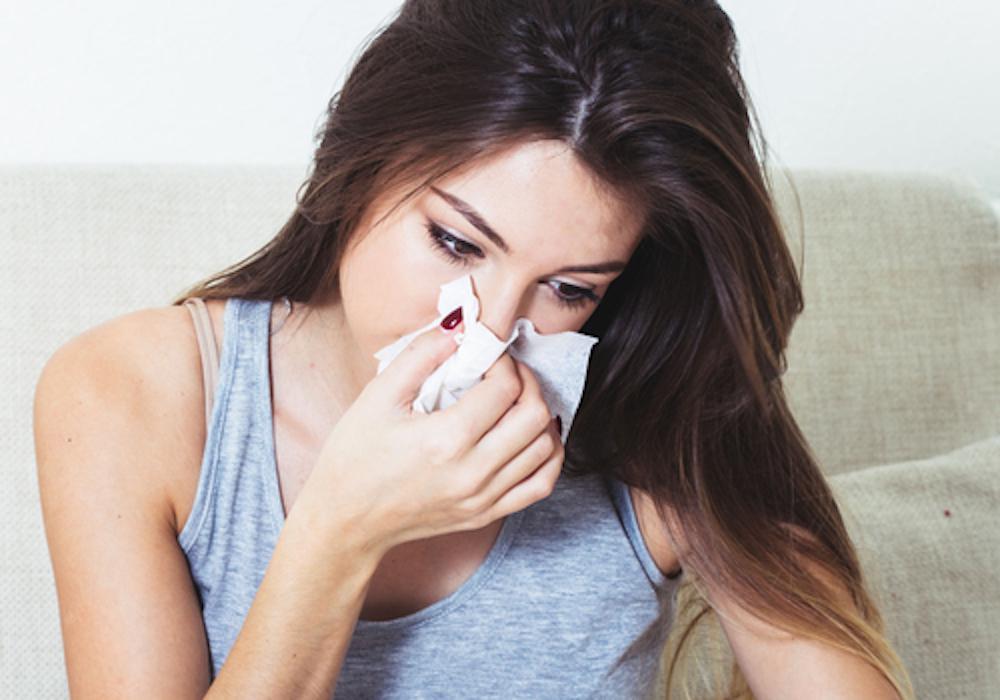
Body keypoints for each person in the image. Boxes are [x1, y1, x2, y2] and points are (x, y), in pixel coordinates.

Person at [33, 1, 916, 698]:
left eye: (569, 288)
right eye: (457, 244)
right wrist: (340, 530)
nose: (491, 331)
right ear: (355, 160)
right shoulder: (129, 395)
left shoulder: (656, 419)